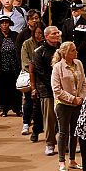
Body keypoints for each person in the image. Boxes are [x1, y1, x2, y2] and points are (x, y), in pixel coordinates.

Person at [51, 41, 86, 171]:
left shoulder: (79, 64)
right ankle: (61, 161)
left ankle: (72, 160)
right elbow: (56, 90)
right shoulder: (57, 67)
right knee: (63, 132)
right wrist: (72, 99)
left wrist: (81, 98)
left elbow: (84, 83)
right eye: (73, 50)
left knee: (74, 133)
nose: (76, 52)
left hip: (77, 104)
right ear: (65, 53)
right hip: (63, 105)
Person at [32, 25, 61, 156]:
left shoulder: (63, 49)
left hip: (63, 89)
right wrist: (54, 85)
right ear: (46, 36)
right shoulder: (39, 52)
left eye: (57, 33)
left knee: (64, 118)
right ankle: (50, 143)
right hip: (47, 90)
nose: (57, 35)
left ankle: (64, 143)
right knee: (49, 118)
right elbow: (40, 72)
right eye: (54, 34)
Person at [20, 21, 45, 140]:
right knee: (30, 102)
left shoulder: (48, 45)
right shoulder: (27, 44)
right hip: (32, 77)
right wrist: (34, 69)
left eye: (42, 33)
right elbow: (25, 62)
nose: (40, 35)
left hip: (45, 79)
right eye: (38, 33)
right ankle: (27, 124)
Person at [60, 0, 86, 75]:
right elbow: (64, 36)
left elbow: (85, 39)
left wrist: (76, 50)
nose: (74, 12)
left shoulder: (85, 22)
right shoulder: (67, 22)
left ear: (80, 10)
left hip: (81, 52)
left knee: (82, 74)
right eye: (72, 10)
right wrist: (68, 49)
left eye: (76, 10)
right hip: (68, 51)